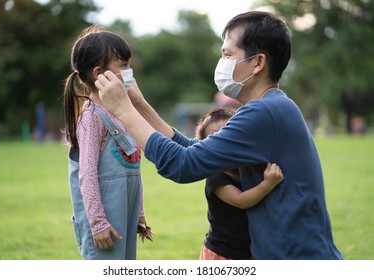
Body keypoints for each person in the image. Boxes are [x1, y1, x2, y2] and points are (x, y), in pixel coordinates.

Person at [95, 11, 343, 259]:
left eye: (227, 54)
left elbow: (183, 165)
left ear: (257, 63)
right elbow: (194, 150)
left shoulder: (263, 112)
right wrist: (139, 104)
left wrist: (124, 111)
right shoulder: (270, 107)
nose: (221, 61)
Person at [63, 26, 152, 260]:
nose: (129, 72)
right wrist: (98, 223)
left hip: (126, 211)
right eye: (123, 66)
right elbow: (87, 174)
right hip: (105, 222)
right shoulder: (92, 117)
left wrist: (139, 211)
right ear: (99, 74)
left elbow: (134, 165)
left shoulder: (123, 113)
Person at [195, 108, 284, 260]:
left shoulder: (250, 168)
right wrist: (268, 183)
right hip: (223, 253)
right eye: (215, 139)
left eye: (230, 134)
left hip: (248, 251)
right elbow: (241, 200)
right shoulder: (216, 176)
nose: (225, 143)